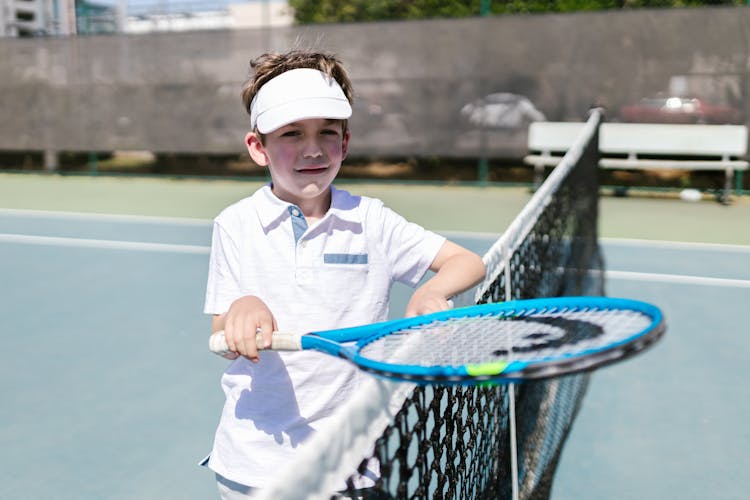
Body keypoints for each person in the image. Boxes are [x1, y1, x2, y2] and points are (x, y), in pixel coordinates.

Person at [202, 48, 486, 498]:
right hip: (254, 464)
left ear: (346, 143)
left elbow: (467, 261)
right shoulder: (234, 224)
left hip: (351, 463)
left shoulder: (374, 221)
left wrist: (430, 293)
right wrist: (243, 306)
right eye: (292, 133)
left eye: (327, 133)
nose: (313, 148)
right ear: (259, 147)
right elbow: (222, 330)